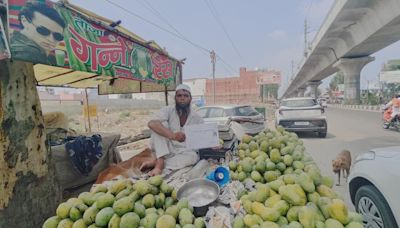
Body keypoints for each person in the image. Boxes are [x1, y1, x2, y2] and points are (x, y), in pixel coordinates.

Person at [140, 84, 204, 176]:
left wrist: (212, 144)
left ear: (190, 98)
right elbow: (151, 124)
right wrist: (173, 136)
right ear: (175, 98)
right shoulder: (168, 110)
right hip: (165, 148)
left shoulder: (197, 118)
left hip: (183, 151)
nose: (182, 98)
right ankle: (160, 162)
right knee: (160, 124)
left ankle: (156, 163)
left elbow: (204, 136)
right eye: (179, 95)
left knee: (193, 157)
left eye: (186, 96)